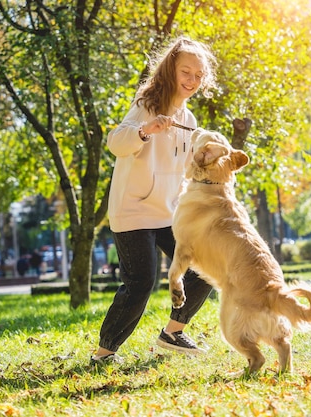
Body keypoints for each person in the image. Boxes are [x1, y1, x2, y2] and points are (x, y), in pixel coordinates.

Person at [91, 36, 218, 365]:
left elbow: (187, 169)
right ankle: (104, 354)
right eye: (185, 72)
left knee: (204, 268)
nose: (191, 80)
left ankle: (172, 333)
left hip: (167, 213)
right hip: (133, 209)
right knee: (141, 281)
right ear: (170, 71)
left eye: (197, 75)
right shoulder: (146, 103)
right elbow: (116, 143)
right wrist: (145, 130)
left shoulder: (188, 120)